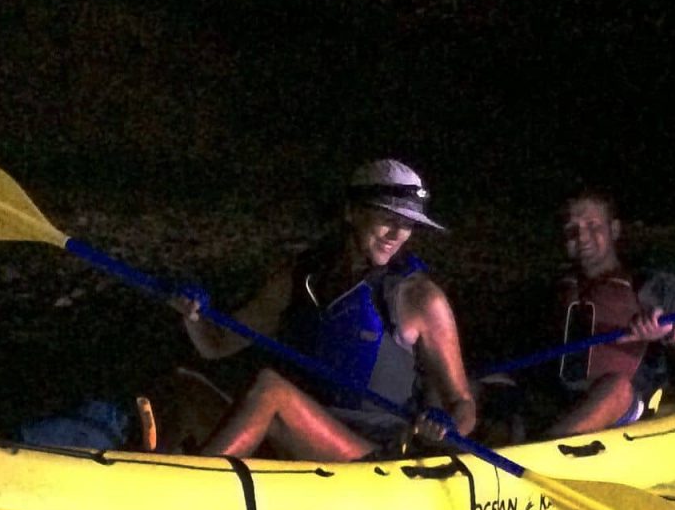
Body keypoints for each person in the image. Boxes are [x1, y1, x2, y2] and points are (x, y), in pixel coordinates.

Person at [160, 159, 478, 461]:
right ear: (351, 212)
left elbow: (462, 404)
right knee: (184, 386)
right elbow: (215, 345)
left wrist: (446, 426)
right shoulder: (301, 276)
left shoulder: (421, 298)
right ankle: (145, 476)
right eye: (387, 220)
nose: (397, 235)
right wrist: (192, 314)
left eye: (407, 224)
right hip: (294, 431)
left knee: (270, 390)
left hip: (372, 455)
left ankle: (192, 491)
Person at [492, 189, 675, 440]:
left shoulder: (655, 286)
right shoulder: (552, 291)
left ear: (614, 230)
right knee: (484, 382)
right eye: (571, 229)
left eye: (593, 226)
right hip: (558, 402)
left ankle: (541, 451)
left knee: (616, 387)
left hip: (624, 406)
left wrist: (671, 332)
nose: (582, 237)